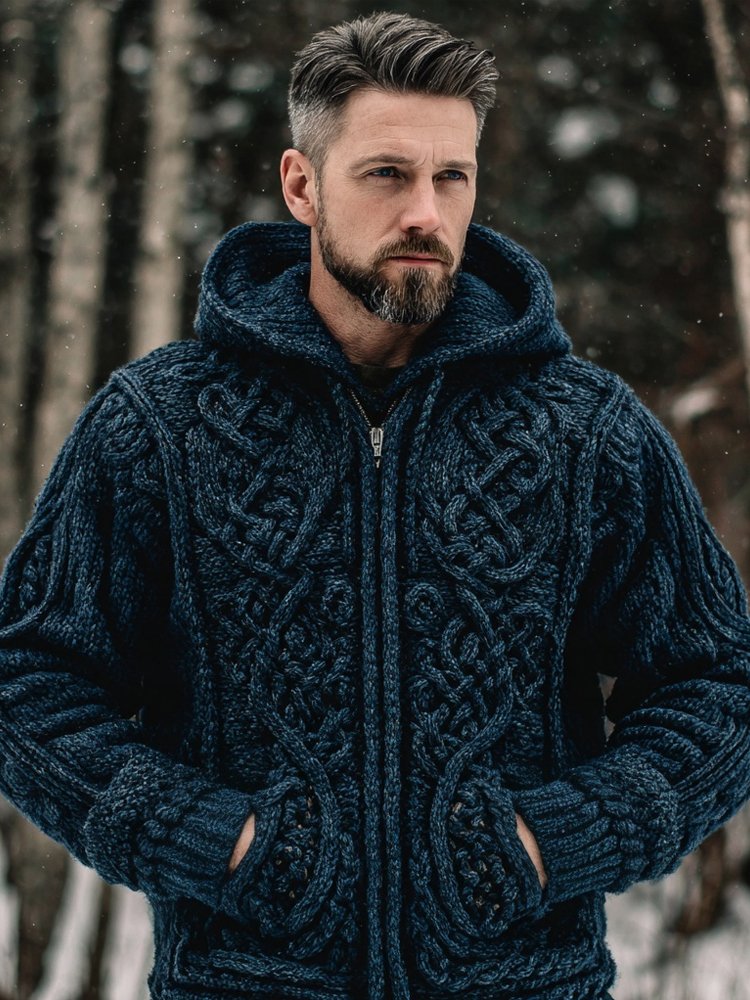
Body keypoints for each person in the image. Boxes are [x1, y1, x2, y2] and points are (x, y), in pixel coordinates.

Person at [1, 10, 749, 1000]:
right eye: (387, 173)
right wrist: (220, 843)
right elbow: (32, 680)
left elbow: (717, 681)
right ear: (301, 184)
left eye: (453, 177)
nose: (426, 214)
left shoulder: (587, 431)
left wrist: (551, 841)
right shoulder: (161, 425)